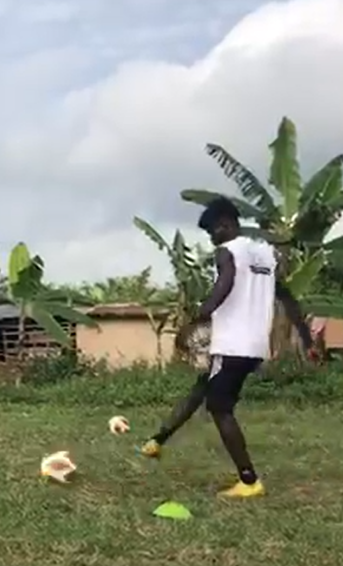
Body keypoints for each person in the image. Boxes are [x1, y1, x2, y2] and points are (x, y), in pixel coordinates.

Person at [139, 197, 312, 498]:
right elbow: (286, 297)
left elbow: (226, 283)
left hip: (232, 343)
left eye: (212, 232)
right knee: (203, 387)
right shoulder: (265, 255)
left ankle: (249, 480)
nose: (212, 239)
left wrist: (199, 316)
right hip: (255, 345)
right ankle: (158, 440)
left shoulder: (227, 250)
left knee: (219, 407)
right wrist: (307, 339)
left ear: (225, 224)